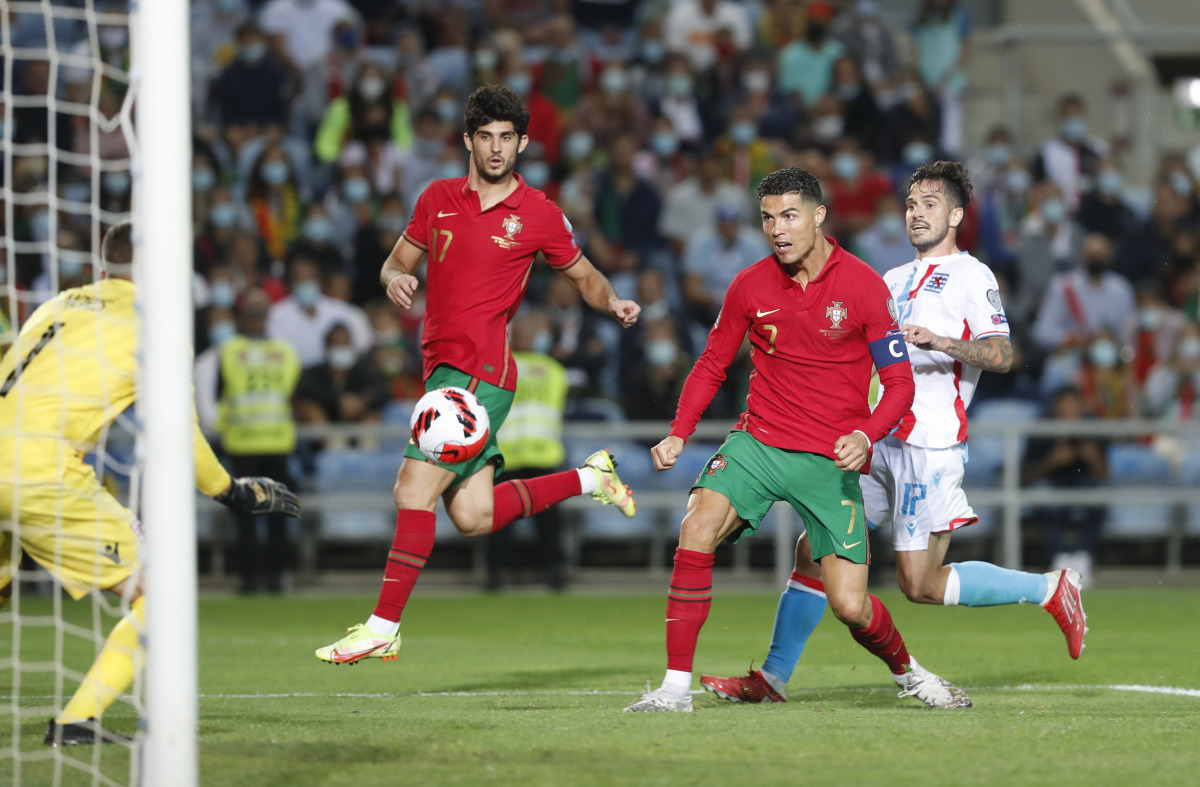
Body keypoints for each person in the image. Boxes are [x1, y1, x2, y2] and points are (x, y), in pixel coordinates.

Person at [697, 162, 1088, 710]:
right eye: (910, 204)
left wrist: (942, 342)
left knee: (919, 584)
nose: (916, 214)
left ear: (956, 215)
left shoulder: (972, 275)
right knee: (813, 552)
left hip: (929, 444)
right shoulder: (891, 279)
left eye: (930, 204)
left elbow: (1004, 354)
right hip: (876, 439)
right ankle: (772, 677)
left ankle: (1049, 588)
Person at [315, 85, 641, 665]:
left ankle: (382, 627)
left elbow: (585, 276)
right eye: (485, 136)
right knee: (472, 516)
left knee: (411, 490)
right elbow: (396, 260)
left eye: (506, 138)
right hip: (441, 369)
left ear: (522, 143)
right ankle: (590, 479)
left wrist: (613, 302)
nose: (495, 148)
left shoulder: (538, 213)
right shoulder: (436, 197)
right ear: (468, 140)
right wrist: (394, 278)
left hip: (479, 371)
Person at [624, 168, 965, 714]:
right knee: (696, 527)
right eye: (767, 218)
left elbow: (900, 385)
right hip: (758, 442)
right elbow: (711, 364)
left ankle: (911, 674)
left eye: (789, 216)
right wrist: (679, 432)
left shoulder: (863, 286)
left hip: (830, 457)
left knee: (850, 606)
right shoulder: (749, 285)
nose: (777, 229)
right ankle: (673, 689)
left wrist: (866, 434)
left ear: (818, 216)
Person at [0, 222, 299, 746]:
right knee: (162, 592)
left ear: (104, 265)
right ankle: (76, 722)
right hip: (40, 471)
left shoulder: (57, 304)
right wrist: (228, 490)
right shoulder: (153, 326)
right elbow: (179, 429)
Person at [214, 289, 302, 594]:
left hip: (242, 443)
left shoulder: (229, 351)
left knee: (247, 515)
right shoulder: (285, 351)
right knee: (276, 513)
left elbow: (220, 395)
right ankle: (275, 579)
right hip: (277, 441)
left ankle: (250, 580)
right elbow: (290, 392)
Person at [486, 310, 571, 591]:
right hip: (512, 455)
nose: (525, 336)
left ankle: (554, 574)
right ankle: (496, 574)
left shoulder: (498, 368)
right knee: (503, 523)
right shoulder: (553, 371)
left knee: (546, 524)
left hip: (536, 456)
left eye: (528, 331)